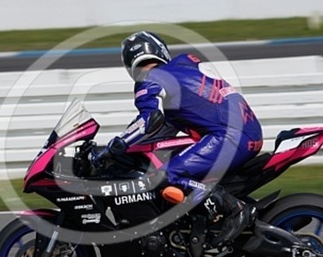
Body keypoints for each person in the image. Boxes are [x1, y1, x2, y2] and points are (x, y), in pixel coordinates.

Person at [92, 31, 263, 244]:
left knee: (164, 176)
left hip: (229, 137)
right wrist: (127, 145)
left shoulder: (149, 79)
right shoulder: (184, 65)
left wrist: (114, 147)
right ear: (161, 51)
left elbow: (149, 120)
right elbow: (161, 128)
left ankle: (234, 209)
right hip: (246, 133)